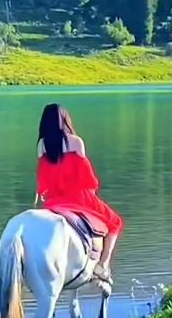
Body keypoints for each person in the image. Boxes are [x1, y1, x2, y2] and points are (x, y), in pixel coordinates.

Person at [35, 103, 123, 284]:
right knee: (115, 222)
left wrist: (46, 193)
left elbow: (43, 177)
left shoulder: (42, 145)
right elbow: (86, 175)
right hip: (79, 196)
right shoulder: (76, 142)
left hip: (55, 199)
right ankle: (102, 265)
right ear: (64, 119)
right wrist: (91, 190)